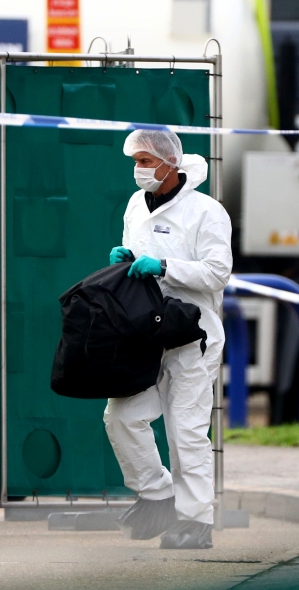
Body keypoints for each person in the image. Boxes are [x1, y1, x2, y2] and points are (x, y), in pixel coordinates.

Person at [104, 129, 232, 550]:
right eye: (135, 161)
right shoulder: (135, 204)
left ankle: (196, 522)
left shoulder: (206, 211)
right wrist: (125, 262)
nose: (139, 170)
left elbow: (217, 272)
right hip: (145, 332)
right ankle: (157, 493)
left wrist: (163, 265)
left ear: (169, 163)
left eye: (146, 161)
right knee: (121, 416)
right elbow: (133, 254)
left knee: (186, 430)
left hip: (192, 335)